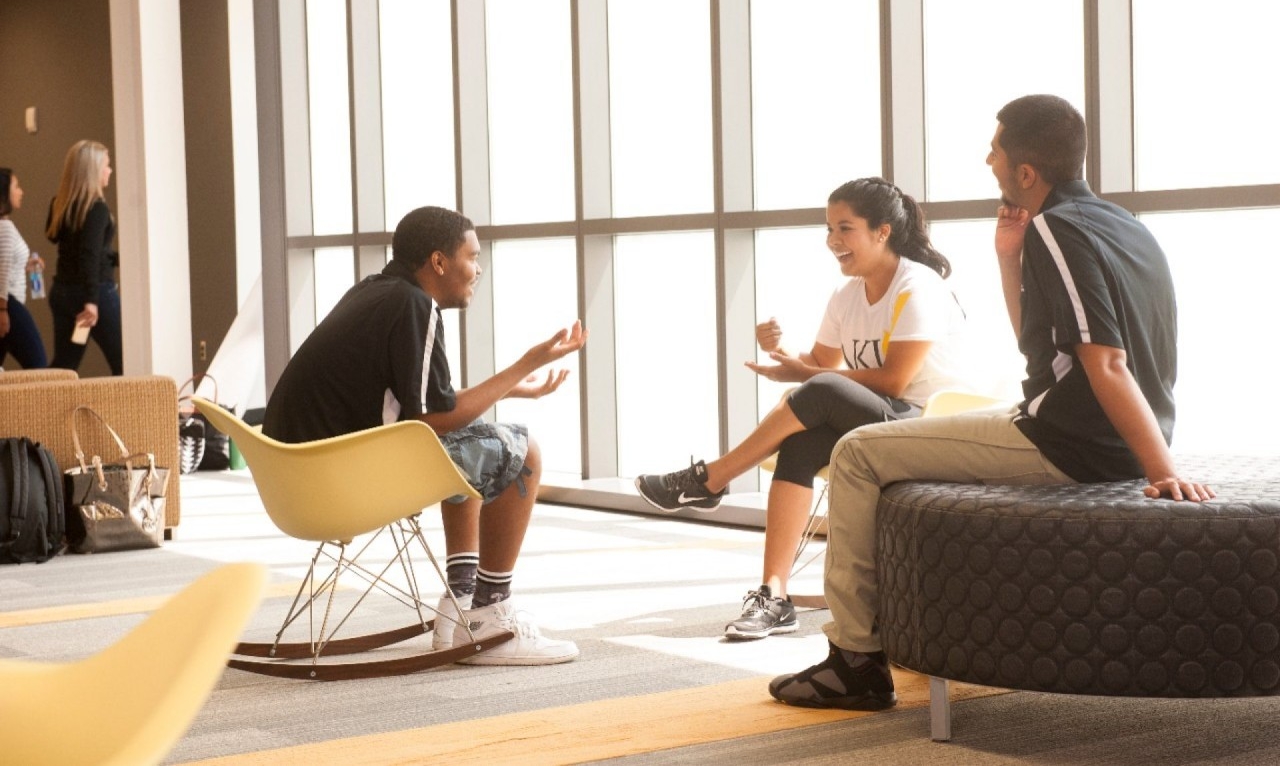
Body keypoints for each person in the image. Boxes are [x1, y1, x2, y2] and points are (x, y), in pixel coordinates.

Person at [768, 94, 1214, 712]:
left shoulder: (1060, 226)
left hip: (1072, 442)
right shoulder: (1119, 221)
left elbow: (1106, 360)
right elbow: (1043, 353)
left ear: (1026, 172)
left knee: (856, 454)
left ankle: (854, 662)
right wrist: (1009, 257)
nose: (988, 160)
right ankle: (877, 642)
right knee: (897, 442)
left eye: (996, 151)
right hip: (1083, 427)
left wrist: (1161, 469)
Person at [635, 177, 969, 640]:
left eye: (845, 229)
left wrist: (804, 376)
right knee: (801, 444)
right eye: (829, 229)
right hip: (877, 417)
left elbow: (892, 381)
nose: (833, 241)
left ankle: (712, 479)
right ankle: (774, 594)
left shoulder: (918, 286)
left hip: (929, 423)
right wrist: (783, 356)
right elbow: (819, 367)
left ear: (883, 232)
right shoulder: (847, 295)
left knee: (822, 391)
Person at [263, 205, 587, 666]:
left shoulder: (376, 293)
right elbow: (434, 420)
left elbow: (428, 402)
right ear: (439, 262)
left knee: (474, 446)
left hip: (299, 482)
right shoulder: (416, 307)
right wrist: (526, 363)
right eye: (472, 257)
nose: (478, 270)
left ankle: (461, 605)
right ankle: (492, 613)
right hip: (342, 485)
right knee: (522, 452)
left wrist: (511, 388)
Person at [45, 140, 122, 375]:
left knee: (64, 366)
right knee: (124, 360)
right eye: (106, 166)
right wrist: (91, 300)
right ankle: (131, 410)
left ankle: (39, 407)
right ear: (93, 170)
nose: (110, 171)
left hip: (63, 294)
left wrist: (114, 258)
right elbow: (88, 255)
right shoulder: (97, 208)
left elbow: (68, 244)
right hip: (94, 293)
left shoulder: (60, 205)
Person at [0, 168, 48, 369]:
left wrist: (26, 266)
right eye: (16, 187)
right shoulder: (5, 228)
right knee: (38, 364)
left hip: (7, 302)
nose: (21, 192)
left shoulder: (5, 225)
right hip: (8, 303)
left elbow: (6, 264)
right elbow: (1, 272)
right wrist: (2, 310)